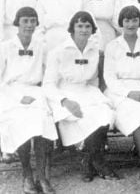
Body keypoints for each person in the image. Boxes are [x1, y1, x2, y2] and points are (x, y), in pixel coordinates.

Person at [43, 11, 117, 182]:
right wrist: (65, 101)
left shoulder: (94, 51)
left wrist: (97, 97)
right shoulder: (58, 52)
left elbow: (93, 80)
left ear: (92, 29)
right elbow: (48, 84)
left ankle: (88, 160)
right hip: (64, 94)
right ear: (72, 29)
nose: (84, 30)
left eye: (87, 26)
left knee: (106, 113)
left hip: (87, 91)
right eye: (80, 26)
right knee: (85, 117)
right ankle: (97, 161)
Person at [0, 7, 57, 194]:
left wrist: (42, 93)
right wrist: (19, 97)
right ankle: (27, 174)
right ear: (17, 23)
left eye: (32, 21)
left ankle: (42, 176)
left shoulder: (41, 46)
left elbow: (49, 75)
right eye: (25, 21)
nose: (29, 25)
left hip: (36, 91)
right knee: (20, 121)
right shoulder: (5, 47)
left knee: (43, 118)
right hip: (11, 93)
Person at [104, 6, 140, 190]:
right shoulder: (113, 46)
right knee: (137, 117)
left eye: (134, 20)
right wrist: (130, 94)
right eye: (127, 20)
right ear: (121, 23)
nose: (131, 24)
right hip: (121, 92)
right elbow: (109, 78)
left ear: (139, 22)